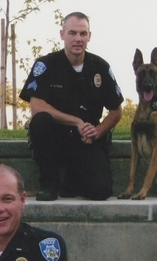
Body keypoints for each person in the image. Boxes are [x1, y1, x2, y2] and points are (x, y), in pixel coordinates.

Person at [19, 12, 123, 201]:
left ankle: (72, 182)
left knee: (101, 191)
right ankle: (49, 184)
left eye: (83, 34)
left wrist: (98, 131)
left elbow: (116, 110)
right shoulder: (46, 65)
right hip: (54, 140)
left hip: (86, 139)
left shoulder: (100, 67)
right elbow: (37, 106)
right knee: (40, 121)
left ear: (89, 37)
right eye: (72, 33)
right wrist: (76, 121)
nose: (78, 39)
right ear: (62, 34)